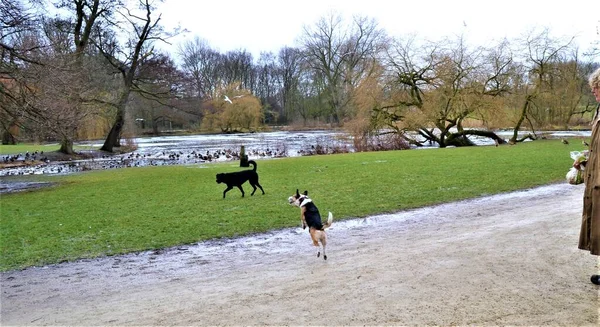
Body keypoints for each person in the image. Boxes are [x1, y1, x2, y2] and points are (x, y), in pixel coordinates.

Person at [578, 67, 600, 285]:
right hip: (596, 179)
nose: (594, 92)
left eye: (597, 88)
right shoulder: (598, 112)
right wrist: (587, 159)